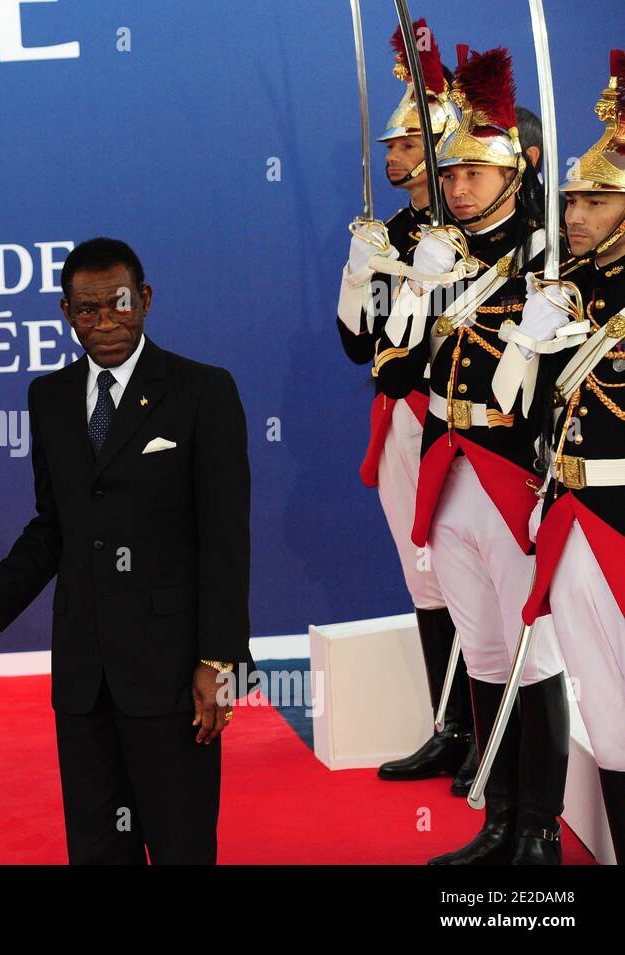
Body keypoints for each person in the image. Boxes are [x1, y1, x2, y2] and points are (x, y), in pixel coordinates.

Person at [0, 237, 250, 864]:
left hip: (173, 675)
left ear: (147, 300)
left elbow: (226, 538)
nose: (105, 321)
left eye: (120, 303)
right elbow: (55, 528)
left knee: (183, 845)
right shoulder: (48, 397)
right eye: (87, 309)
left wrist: (222, 663)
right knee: (99, 850)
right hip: (84, 677)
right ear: (66, 312)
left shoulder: (202, 391)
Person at [376, 46, 568, 865]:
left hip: (512, 472)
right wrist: (406, 294)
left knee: (535, 659)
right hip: (448, 466)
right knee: (484, 649)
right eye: (447, 175)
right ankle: (494, 821)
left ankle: (537, 829)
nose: (454, 189)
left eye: (471, 176)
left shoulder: (546, 257)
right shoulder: (442, 253)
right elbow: (397, 365)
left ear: (513, 177)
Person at [337, 20, 475, 794]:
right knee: (422, 575)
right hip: (396, 419)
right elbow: (360, 347)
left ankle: (493, 734)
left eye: (403, 148)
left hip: (458, 424)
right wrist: (360, 275)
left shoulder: (480, 237)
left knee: (471, 577)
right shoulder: (389, 230)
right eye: (390, 149)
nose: (390, 159)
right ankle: (449, 726)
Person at [498, 48, 625, 862]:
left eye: (597, 198)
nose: (574, 212)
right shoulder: (567, 288)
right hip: (574, 514)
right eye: (572, 196)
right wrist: (531, 346)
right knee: (610, 717)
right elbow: (522, 413)